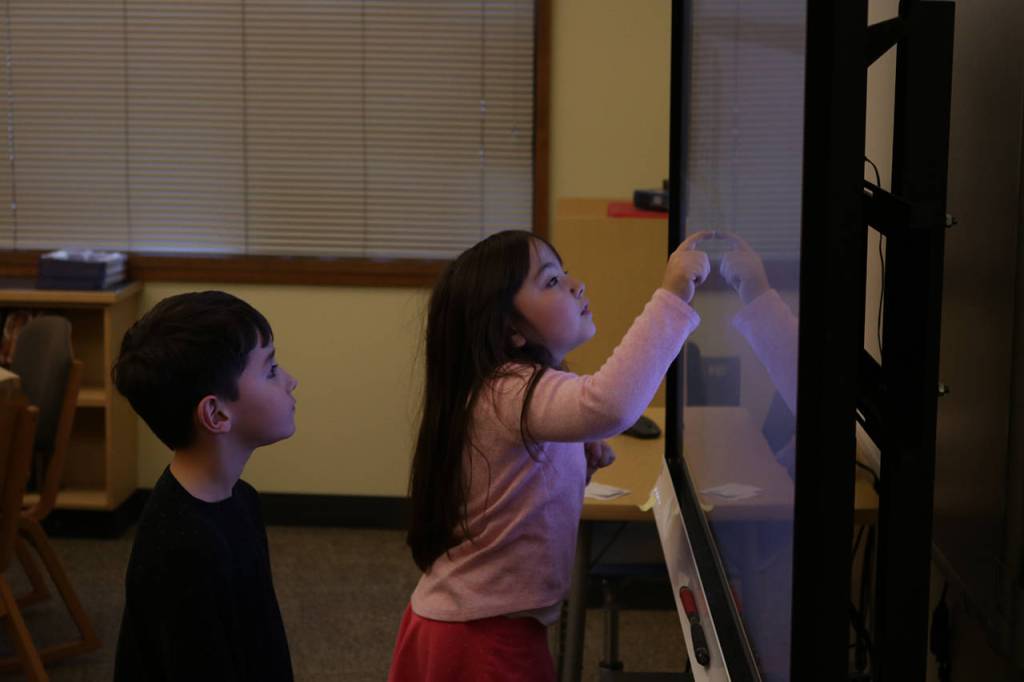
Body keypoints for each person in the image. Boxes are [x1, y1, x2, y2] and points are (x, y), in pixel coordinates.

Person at [389, 229, 711, 681]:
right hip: (483, 634)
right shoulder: (512, 390)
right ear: (510, 329)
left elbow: (509, 491)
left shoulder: (505, 389)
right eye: (552, 281)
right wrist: (672, 298)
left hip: (476, 621)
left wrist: (571, 464)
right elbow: (611, 404)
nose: (577, 285)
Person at [111, 291, 298, 682]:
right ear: (216, 413)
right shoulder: (181, 549)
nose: (290, 381)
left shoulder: (241, 500)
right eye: (271, 370)